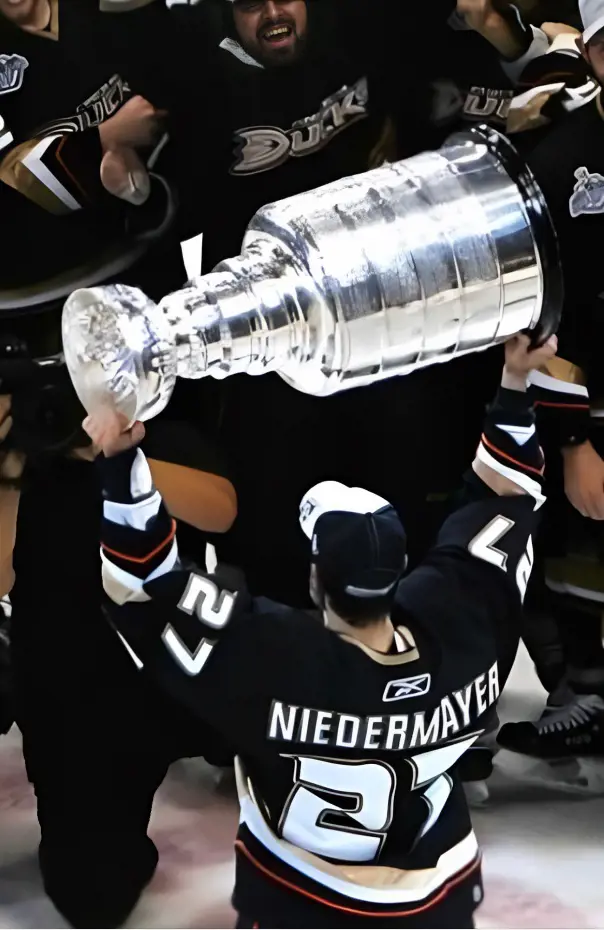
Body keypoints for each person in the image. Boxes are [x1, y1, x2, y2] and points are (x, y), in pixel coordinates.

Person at [84, 332, 556, 929]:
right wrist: (515, 383)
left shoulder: (269, 659)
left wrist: (121, 458)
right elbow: (508, 497)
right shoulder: (464, 631)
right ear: (401, 570)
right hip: (430, 905)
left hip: (296, 901)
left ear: (314, 580)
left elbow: (143, 581)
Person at [496, 0, 604, 778]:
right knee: (564, 550)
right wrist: (576, 441)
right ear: (593, 54)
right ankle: (588, 694)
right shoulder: (563, 159)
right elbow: (539, 315)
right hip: (586, 408)